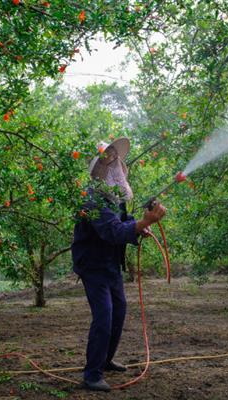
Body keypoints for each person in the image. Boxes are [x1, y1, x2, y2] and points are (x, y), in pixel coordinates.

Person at [71, 138, 166, 392]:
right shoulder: (93, 201)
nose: (115, 169)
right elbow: (112, 231)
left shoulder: (114, 199)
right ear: (100, 172)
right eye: (108, 165)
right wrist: (143, 224)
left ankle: (105, 360)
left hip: (110, 262)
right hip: (92, 265)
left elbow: (124, 220)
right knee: (104, 316)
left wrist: (138, 225)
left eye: (116, 164)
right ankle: (92, 375)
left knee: (119, 311)